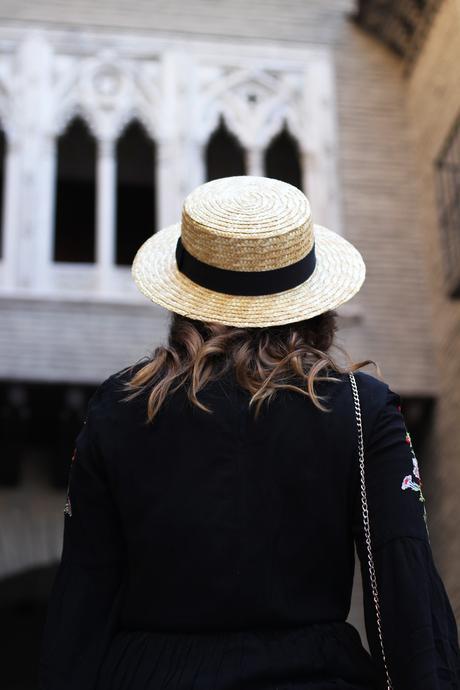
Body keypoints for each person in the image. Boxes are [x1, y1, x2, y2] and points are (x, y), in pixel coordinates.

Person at [38, 176, 460, 690]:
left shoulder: (117, 405)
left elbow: (83, 596)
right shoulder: (360, 408)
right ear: (313, 304)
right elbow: (402, 584)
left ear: (184, 300)